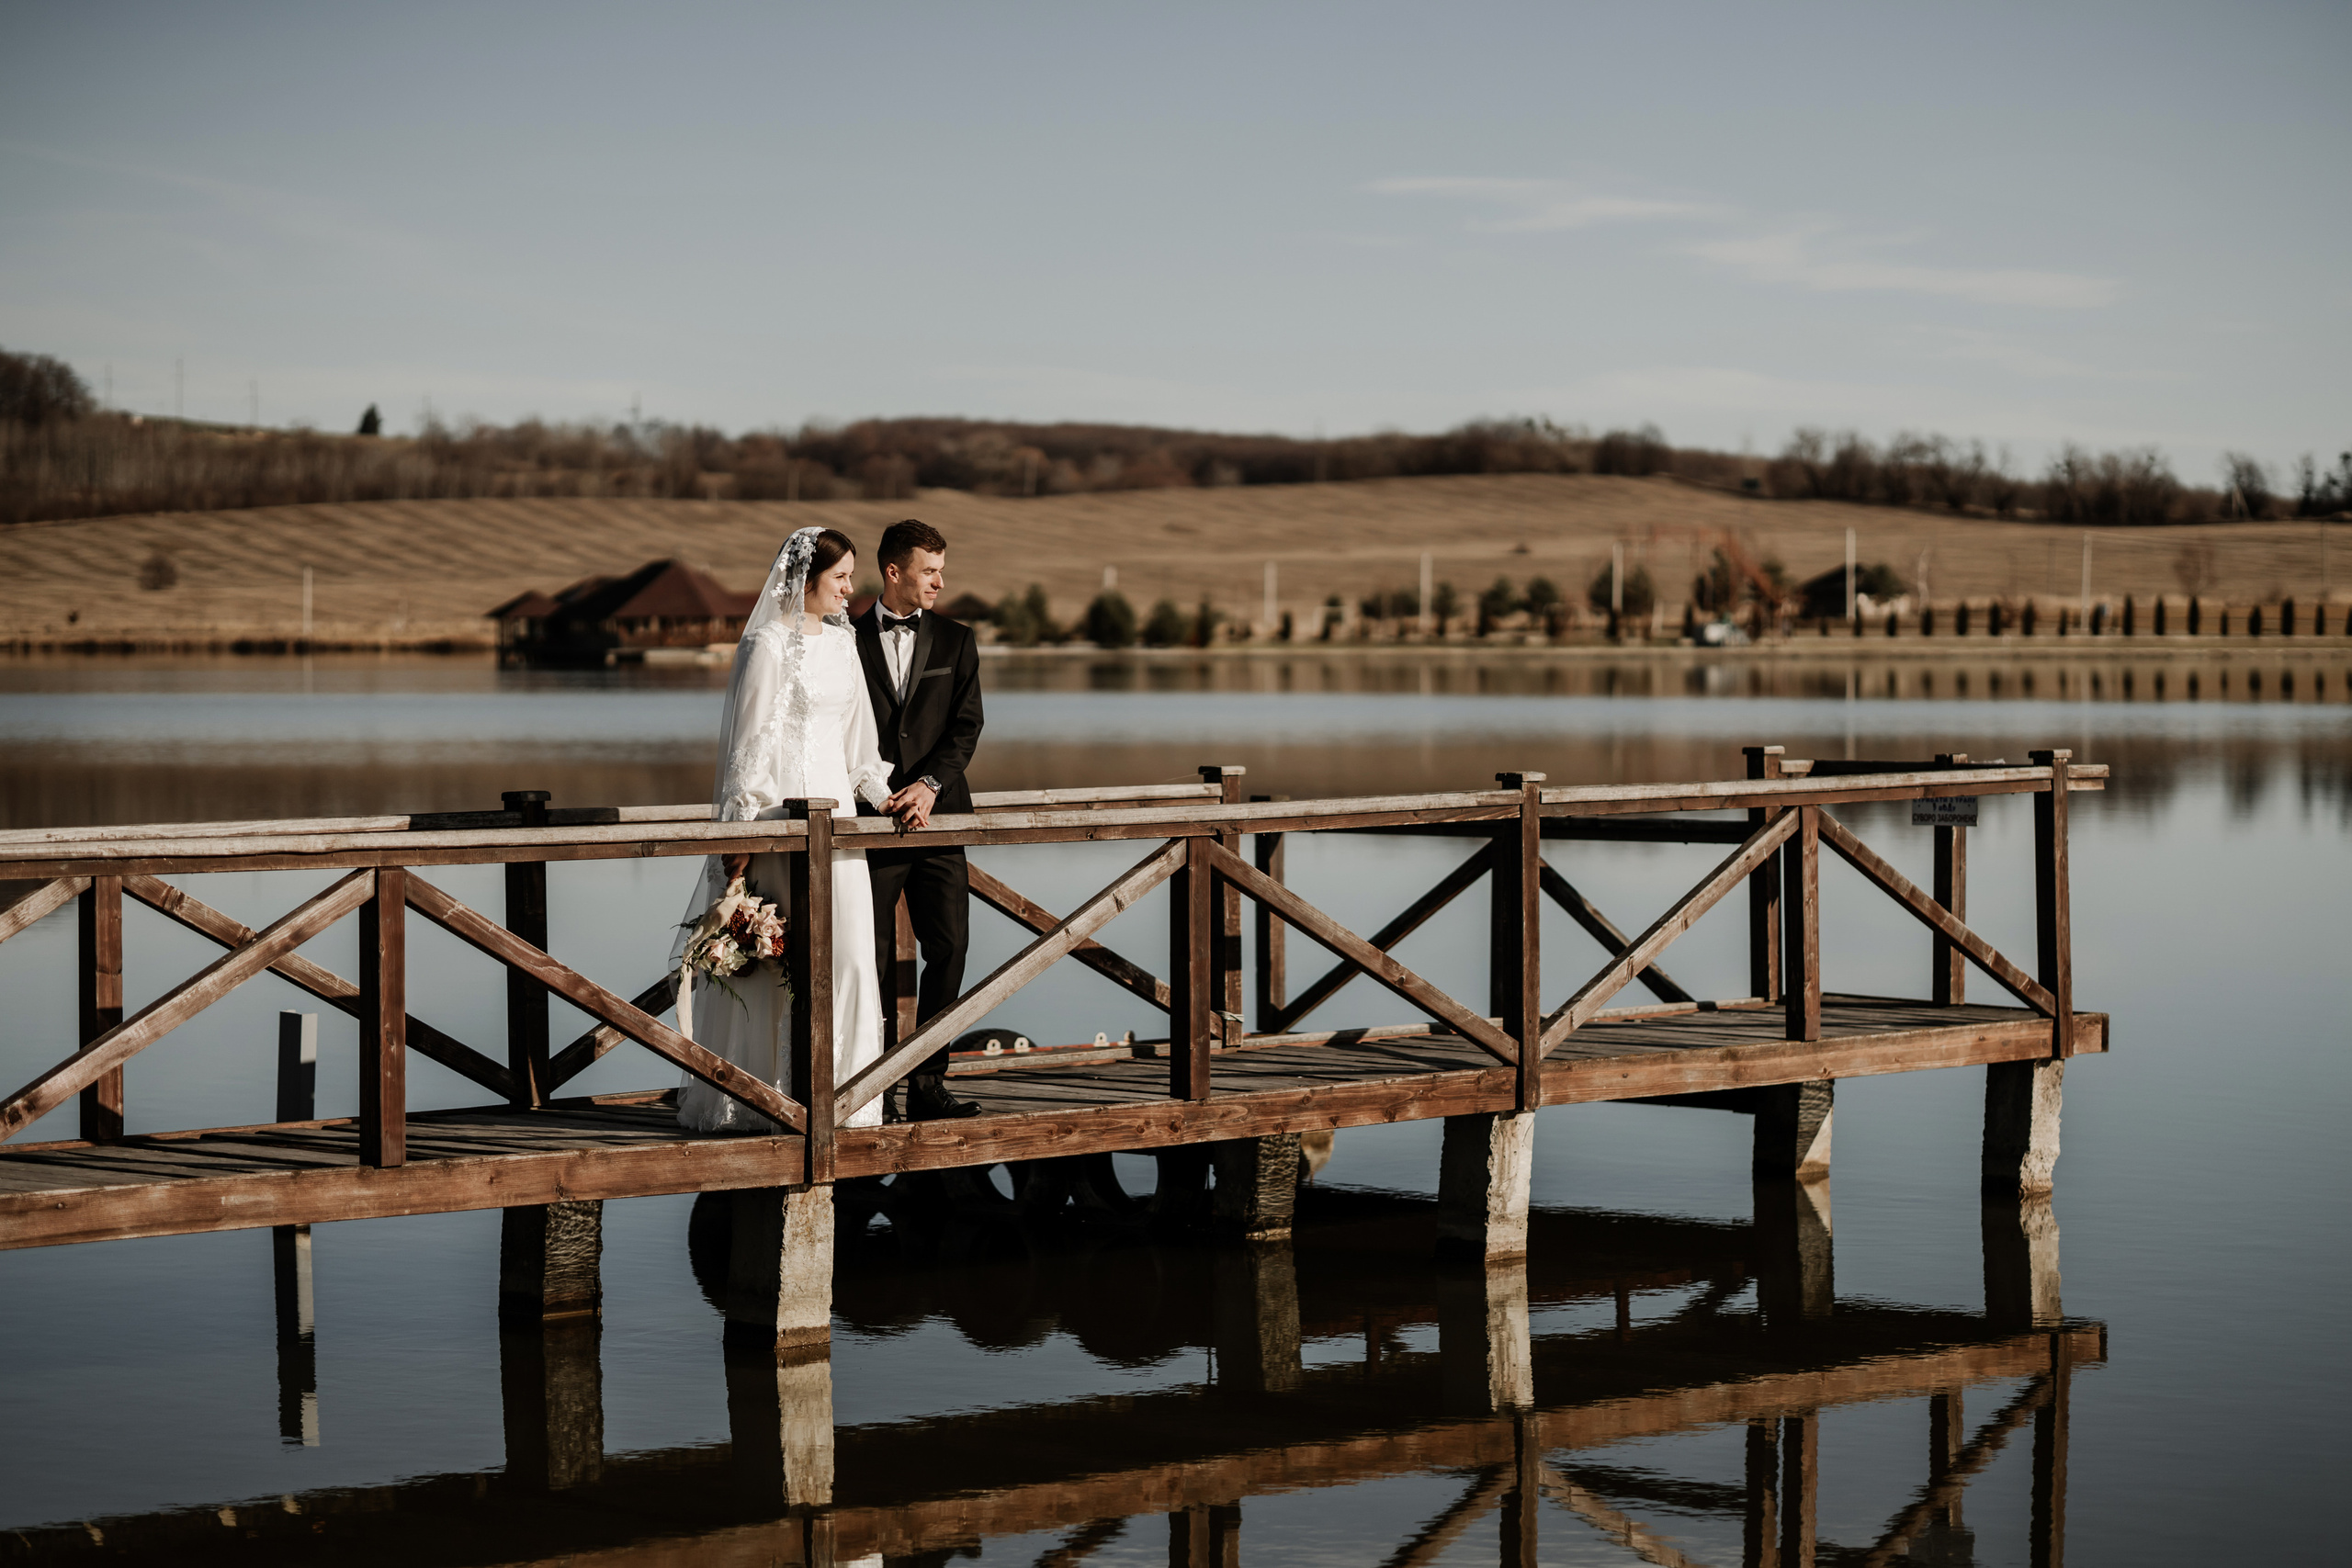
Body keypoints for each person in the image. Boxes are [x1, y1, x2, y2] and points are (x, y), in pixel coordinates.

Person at [673, 526, 895, 1134]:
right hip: (780, 826)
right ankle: (770, 1099)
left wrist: (885, 797)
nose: (850, 589)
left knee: (850, 956)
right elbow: (747, 750)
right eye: (841, 577)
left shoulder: (845, 644)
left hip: (840, 824)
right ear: (806, 578)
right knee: (780, 965)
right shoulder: (765, 645)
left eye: (851, 577)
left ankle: (847, 1097)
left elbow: (860, 747)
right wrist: (741, 838)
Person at [852, 519, 985, 1121]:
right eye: (929, 570)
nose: (939, 582)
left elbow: (967, 726)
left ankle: (928, 1082)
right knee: (872, 955)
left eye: (941, 570)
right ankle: (873, 1086)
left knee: (951, 947)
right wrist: (880, 793)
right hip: (869, 820)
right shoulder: (846, 639)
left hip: (940, 818)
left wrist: (930, 786)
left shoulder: (957, 639)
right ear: (894, 571)